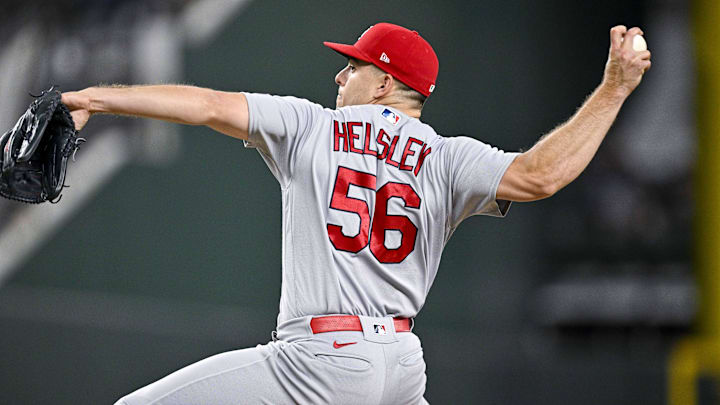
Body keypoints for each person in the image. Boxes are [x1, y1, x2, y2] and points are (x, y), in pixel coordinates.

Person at [62, 22, 651, 405]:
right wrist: (614, 91)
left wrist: (97, 97)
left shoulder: (311, 124)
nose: (341, 74)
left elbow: (204, 105)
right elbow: (542, 174)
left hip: (321, 362)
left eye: (355, 66)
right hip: (399, 366)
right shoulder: (447, 158)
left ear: (383, 85)